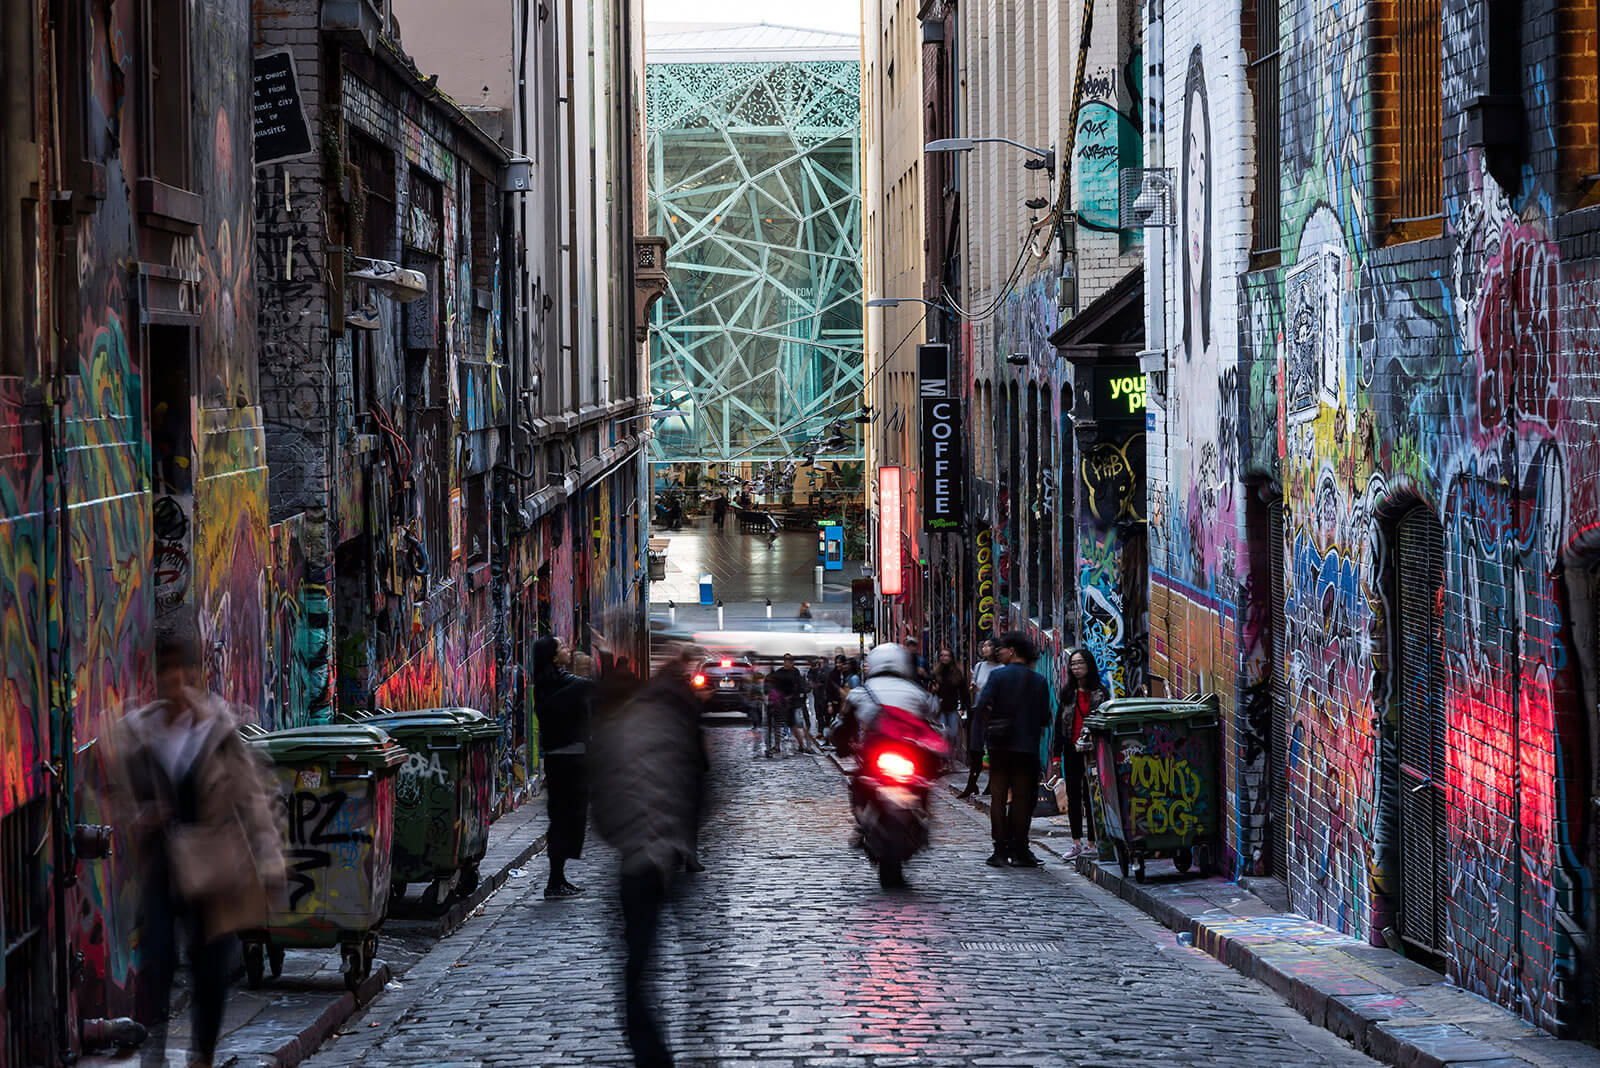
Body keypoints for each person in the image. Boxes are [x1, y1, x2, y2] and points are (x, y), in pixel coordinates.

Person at [114, 623, 285, 1068]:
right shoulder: (140, 733)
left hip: (215, 867)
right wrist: (139, 817)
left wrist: (269, 861)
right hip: (164, 865)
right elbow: (119, 796)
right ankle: (154, 1052)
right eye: (164, 673)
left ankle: (202, 1056)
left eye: (179, 672)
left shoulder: (218, 730)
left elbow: (253, 797)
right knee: (157, 961)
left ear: (191, 674)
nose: (171, 682)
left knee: (211, 968)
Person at [592, 639, 709, 1068]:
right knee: (683, 955)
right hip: (669, 854)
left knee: (638, 960)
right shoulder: (673, 723)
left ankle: (651, 1051)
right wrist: (684, 840)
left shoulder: (615, 730)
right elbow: (699, 783)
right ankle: (689, 1037)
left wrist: (628, 839)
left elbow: (602, 810)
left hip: (639, 859)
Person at [972, 631, 1051, 868]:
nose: (999, 653)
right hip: (1026, 749)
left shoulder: (997, 677)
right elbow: (1046, 717)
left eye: (1002, 649)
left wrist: (980, 742)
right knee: (1022, 800)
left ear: (1012, 651)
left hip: (1000, 748)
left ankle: (999, 849)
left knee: (998, 798)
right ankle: (1020, 849)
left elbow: (982, 707)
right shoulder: (1038, 681)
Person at [535, 635, 595, 898]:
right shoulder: (561, 684)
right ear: (552, 656)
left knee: (566, 820)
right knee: (564, 820)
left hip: (564, 759)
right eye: (561, 647)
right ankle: (554, 882)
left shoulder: (550, 684)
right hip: (568, 762)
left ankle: (557, 878)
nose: (567, 649)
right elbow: (590, 687)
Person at [1054, 648, 1108, 859]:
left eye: (1080, 664)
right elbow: (1059, 726)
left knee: (1092, 796)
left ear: (1089, 666)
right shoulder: (1067, 693)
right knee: (1074, 796)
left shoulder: (1100, 693)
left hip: (1093, 751)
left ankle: (1092, 842)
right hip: (1071, 749)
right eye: (1073, 664)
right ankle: (1076, 842)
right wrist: (1056, 756)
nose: (1076, 668)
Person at [960, 639, 1000, 798]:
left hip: (993, 712)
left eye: (989, 645)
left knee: (992, 749)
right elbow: (974, 688)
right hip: (977, 711)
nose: (985, 648)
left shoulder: (1000, 667)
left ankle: (991, 783)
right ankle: (972, 783)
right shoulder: (979, 666)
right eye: (983, 645)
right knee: (975, 748)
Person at [766, 653, 809, 756]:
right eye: (786, 660)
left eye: (789, 661)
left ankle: (801, 746)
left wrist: (794, 698)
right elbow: (773, 686)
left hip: (791, 703)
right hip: (780, 702)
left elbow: (798, 687)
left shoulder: (795, 672)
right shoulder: (779, 672)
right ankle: (777, 747)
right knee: (777, 725)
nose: (788, 662)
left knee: (792, 725)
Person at [931, 649, 967, 751]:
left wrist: (963, 706)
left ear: (951, 658)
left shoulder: (956, 673)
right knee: (942, 734)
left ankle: (949, 757)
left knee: (952, 734)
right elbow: (930, 690)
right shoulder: (936, 673)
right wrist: (934, 690)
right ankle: (945, 760)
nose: (944, 658)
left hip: (952, 708)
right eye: (942, 655)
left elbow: (963, 690)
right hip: (940, 708)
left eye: (947, 656)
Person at [808, 657, 833, 741]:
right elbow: (810, 677)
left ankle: (827, 736)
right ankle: (821, 733)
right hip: (818, 696)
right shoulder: (816, 671)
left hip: (825, 696)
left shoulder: (827, 671)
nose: (819, 664)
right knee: (819, 716)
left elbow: (824, 683)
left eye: (821, 662)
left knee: (826, 717)